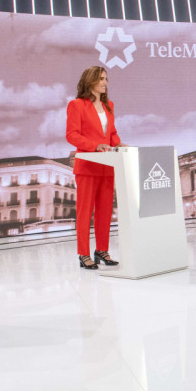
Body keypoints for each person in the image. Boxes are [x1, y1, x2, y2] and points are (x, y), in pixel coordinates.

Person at [66, 66, 126, 269]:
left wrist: (118, 143)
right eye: (101, 78)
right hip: (87, 166)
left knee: (105, 211)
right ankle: (83, 254)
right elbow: (72, 135)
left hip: (107, 166)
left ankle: (102, 251)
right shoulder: (77, 105)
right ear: (90, 81)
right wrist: (94, 146)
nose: (105, 82)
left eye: (106, 79)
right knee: (85, 212)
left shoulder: (109, 105)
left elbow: (112, 133)